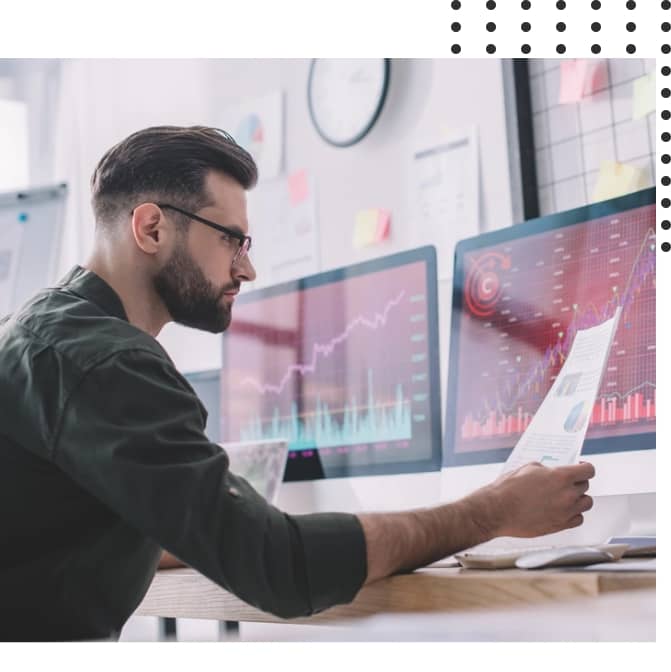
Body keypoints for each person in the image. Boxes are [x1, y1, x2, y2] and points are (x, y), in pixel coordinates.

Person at [0, 126, 595, 641]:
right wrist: (490, 511)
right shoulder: (108, 363)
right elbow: (278, 570)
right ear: (152, 228)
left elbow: (55, 532)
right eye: (229, 237)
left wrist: (206, 532)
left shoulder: (41, 332)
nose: (247, 267)